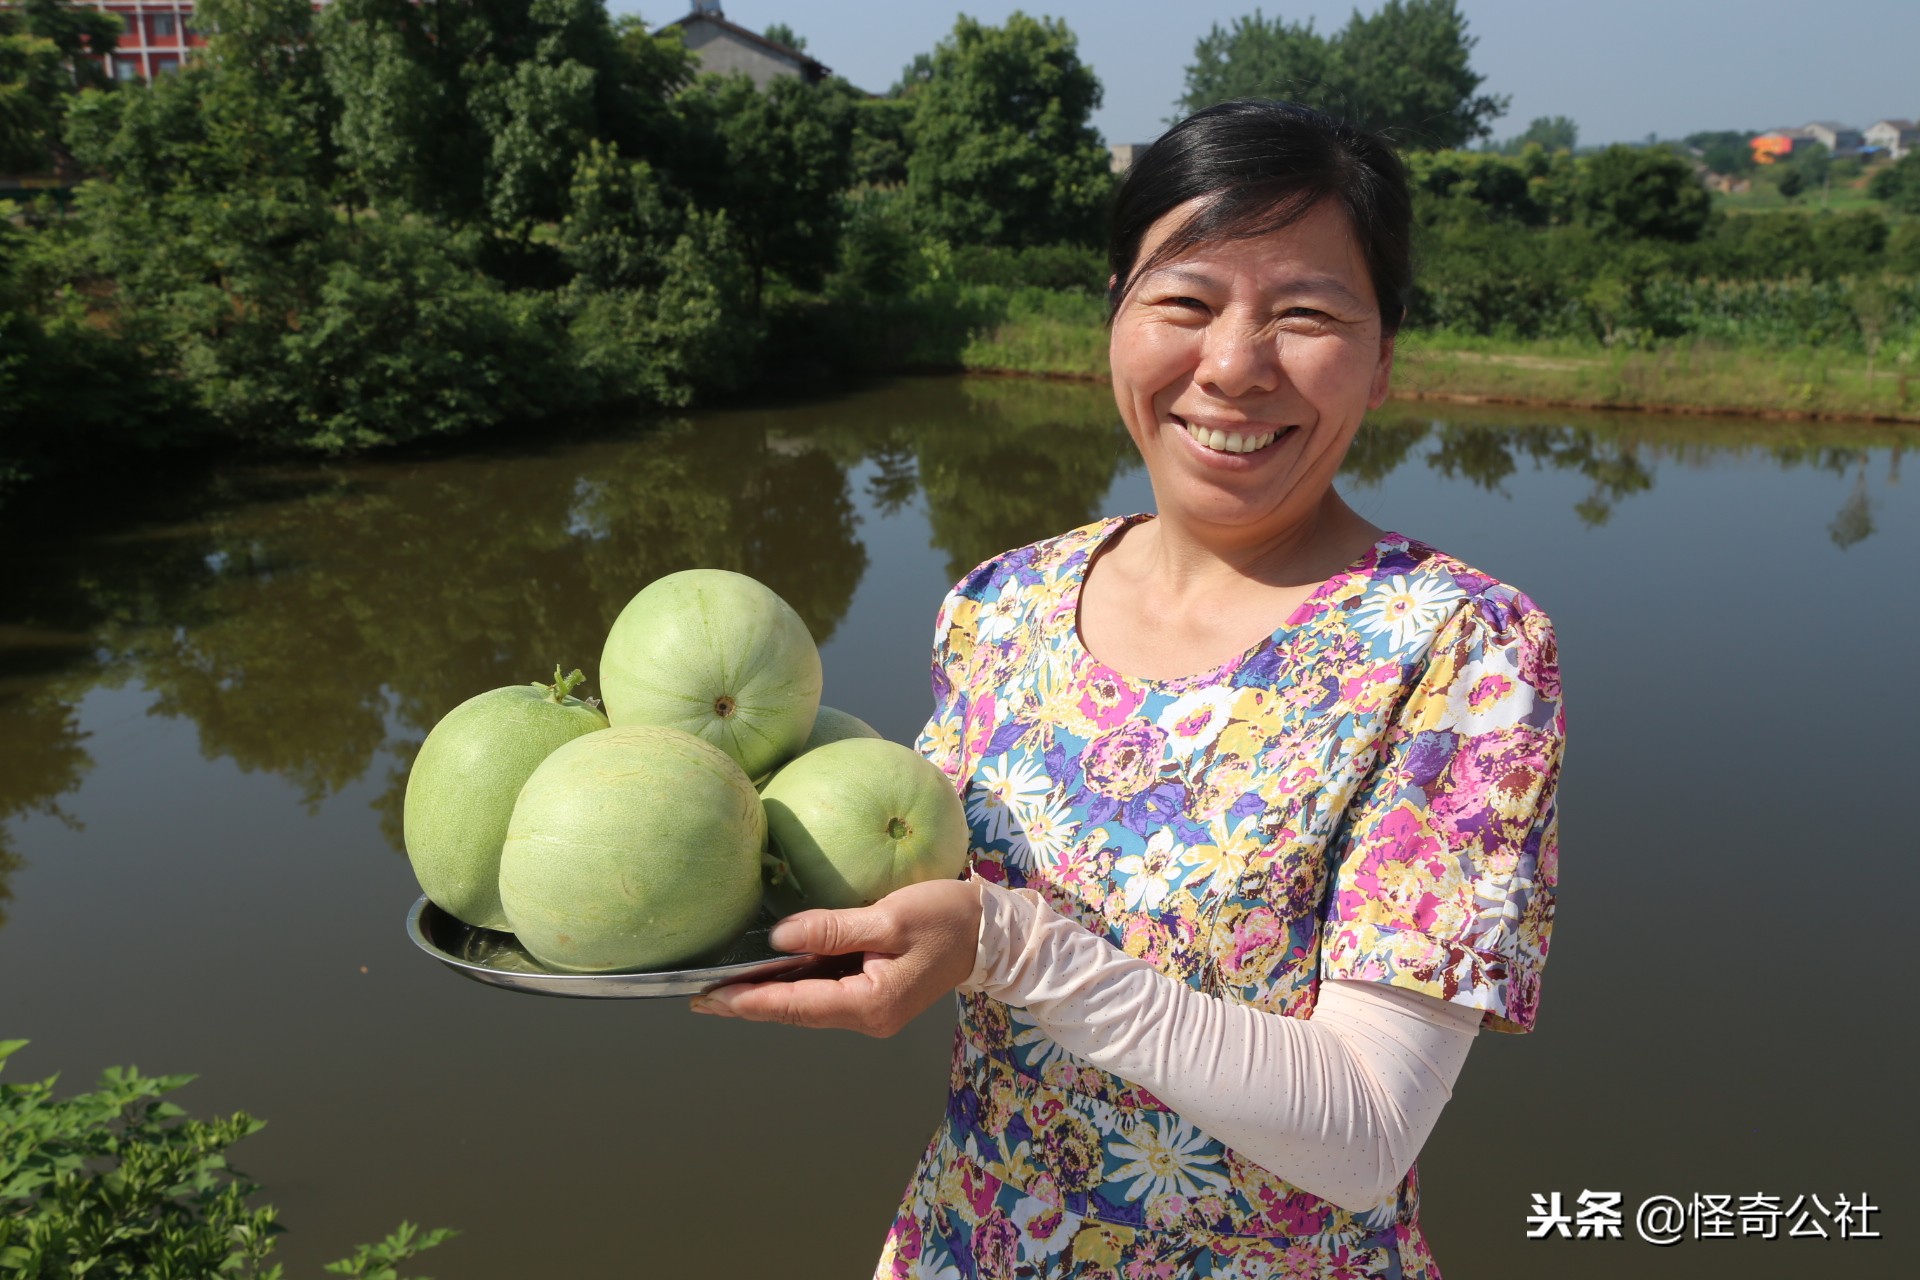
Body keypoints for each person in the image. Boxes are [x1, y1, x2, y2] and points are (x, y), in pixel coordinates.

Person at [689, 99, 1565, 1279]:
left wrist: (1016, 945)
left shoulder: (1458, 650)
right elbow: (902, 884)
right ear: (1115, 312)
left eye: (1305, 314)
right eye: (1187, 301)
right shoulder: (1002, 604)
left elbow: (1365, 1130)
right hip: (970, 1242)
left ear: (1384, 355)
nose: (1233, 366)